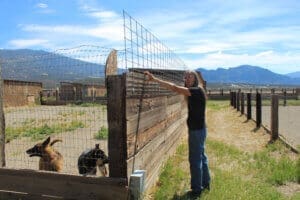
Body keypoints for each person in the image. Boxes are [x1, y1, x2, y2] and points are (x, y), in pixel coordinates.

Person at [144, 70, 210, 197]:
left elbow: (174, 88)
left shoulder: (195, 91)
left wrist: (155, 80)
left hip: (197, 131)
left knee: (195, 159)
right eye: (186, 78)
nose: (188, 79)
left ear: (195, 79)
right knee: (202, 157)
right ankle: (205, 183)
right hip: (200, 130)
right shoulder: (197, 91)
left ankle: (196, 190)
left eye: (190, 77)